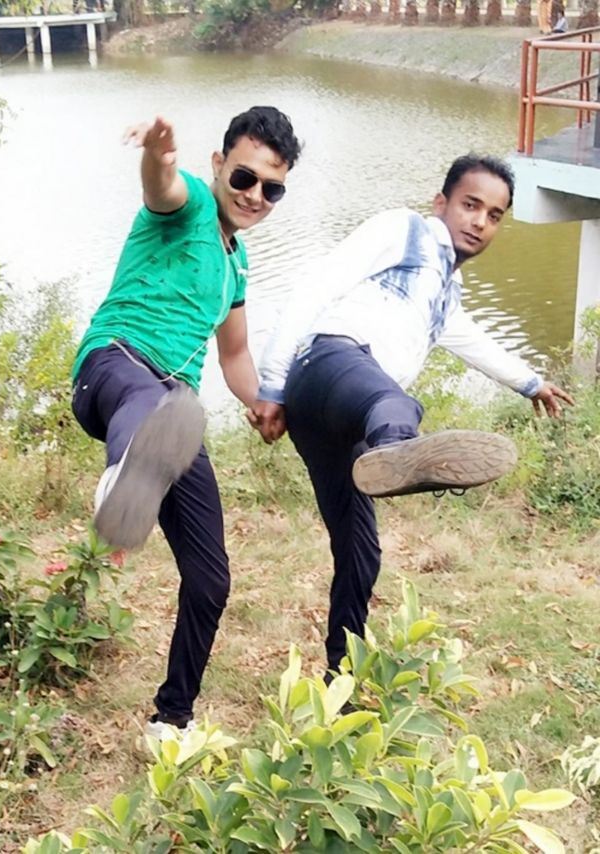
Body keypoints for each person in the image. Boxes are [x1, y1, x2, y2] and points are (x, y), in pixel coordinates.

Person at [250, 154, 573, 679]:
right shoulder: (404, 231)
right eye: (470, 205)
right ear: (441, 202)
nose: (480, 222)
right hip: (330, 365)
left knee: (361, 552)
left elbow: (468, 338)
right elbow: (318, 284)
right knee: (396, 406)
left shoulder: (445, 289)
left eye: (494, 215)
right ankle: (400, 449)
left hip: (345, 420)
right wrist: (272, 381)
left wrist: (529, 382)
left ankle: (340, 680)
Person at [71, 107, 301, 737]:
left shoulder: (237, 263)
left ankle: (171, 719)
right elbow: (161, 188)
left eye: (272, 189)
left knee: (210, 577)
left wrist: (265, 403)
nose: (254, 196)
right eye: (245, 178)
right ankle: (123, 474)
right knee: (151, 402)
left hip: (175, 413)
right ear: (219, 165)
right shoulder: (192, 203)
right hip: (114, 364)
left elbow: (235, 355)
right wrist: (158, 156)